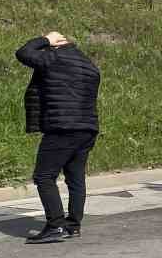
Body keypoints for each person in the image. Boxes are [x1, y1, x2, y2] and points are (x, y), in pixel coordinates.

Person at [17, 31, 101, 243]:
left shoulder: (54, 57)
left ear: (56, 44)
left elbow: (23, 53)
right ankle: (73, 226)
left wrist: (46, 39)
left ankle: (55, 225)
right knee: (75, 177)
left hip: (63, 127)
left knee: (44, 176)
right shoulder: (89, 65)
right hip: (88, 128)